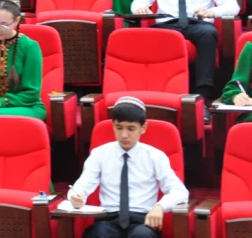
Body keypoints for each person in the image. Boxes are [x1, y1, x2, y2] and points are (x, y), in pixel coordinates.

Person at [68, 96, 189, 237]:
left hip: (143, 220)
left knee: (141, 236)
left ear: (143, 128)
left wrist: (160, 207)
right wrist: (75, 197)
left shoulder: (155, 156)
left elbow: (180, 192)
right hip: (108, 218)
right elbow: (81, 186)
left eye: (131, 129)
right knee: (97, 233)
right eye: (119, 128)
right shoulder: (99, 154)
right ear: (113, 125)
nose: (124, 135)